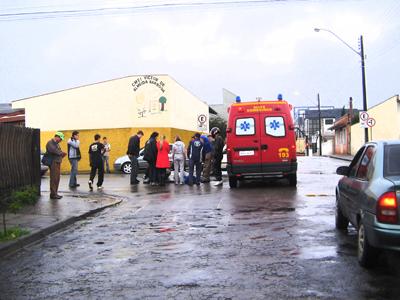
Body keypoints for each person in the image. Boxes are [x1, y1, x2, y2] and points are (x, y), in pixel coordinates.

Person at [46, 132, 67, 199]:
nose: (61, 140)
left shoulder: (56, 144)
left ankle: (55, 193)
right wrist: (61, 153)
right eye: (60, 139)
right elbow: (54, 150)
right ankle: (53, 194)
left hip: (57, 162)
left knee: (57, 178)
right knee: (54, 178)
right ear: (57, 137)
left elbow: (57, 151)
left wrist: (61, 154)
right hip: (53, 162)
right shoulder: (50, 143)